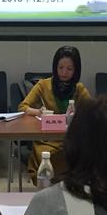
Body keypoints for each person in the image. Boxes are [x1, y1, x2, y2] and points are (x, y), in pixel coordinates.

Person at [19, 46, 91, 183]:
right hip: (47, 139)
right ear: (55, 67)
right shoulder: (43, 85)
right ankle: (48, 186)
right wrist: (39, 112)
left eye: (69, 69)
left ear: (76, 70)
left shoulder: (79, 88)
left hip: (71, 139)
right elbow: (23, 107)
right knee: (46, 157)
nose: (64, 72)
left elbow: (92, 110)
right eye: (60, 67)